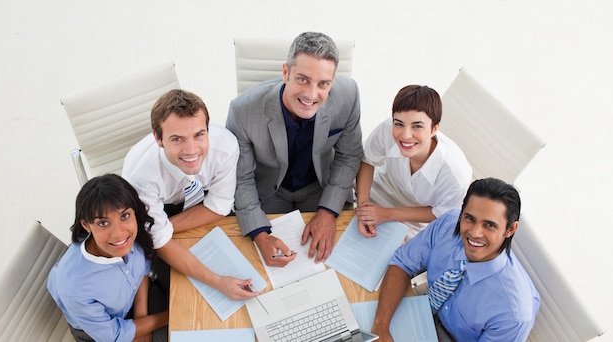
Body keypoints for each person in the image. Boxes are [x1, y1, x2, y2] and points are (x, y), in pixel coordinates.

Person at [226, 31, 363, 267]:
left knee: (336, 263)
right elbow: (242, 178)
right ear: (285, 72)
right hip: (269, 192)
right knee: (254, 263)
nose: (311, 94)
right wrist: (260, 235)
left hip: (321, 188)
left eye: (323, 84)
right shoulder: (242, 111)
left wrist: (328, 211)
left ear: (333, 80)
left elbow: (348, 156)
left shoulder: (348, 95)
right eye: (302, 79)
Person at [123, 89, 257, 301]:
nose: (191, 150)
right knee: (185, 296)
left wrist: (165, 229)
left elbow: (220, 205)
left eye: (199, 135)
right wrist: (218, 282)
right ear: (158, 138)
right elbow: (159, 242)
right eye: (177, 139)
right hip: (162, 205)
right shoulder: (141, 178)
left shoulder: (225, 146)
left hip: (195, 199)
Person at [372, 178, 540, 342]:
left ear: (510, 229)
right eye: (469, 218)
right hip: (423, 310)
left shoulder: (514, 313)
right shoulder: (449, 223)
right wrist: (381, 327)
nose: (474, 233)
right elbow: (403, 262)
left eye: (489, 225)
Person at [47, 174, 168, 342]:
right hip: (103, 332)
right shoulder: (75, 289)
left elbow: (141, 271)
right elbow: (115, 334)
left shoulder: (135, 232)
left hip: (135, 299)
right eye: (103, 223)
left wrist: (141, 321)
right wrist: (169, 316)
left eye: (124, 216)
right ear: (86, 225)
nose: (119, 233)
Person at [355, 84, 471, 241]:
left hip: (415, 218)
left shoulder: (456, 174)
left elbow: (438, 213)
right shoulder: (387, 128)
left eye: (417, 126)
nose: (406, 135)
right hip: (379, 189)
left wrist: (387, 214)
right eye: (399, 124)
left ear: (434, 129)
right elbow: (368, 159)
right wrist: (364, 209)